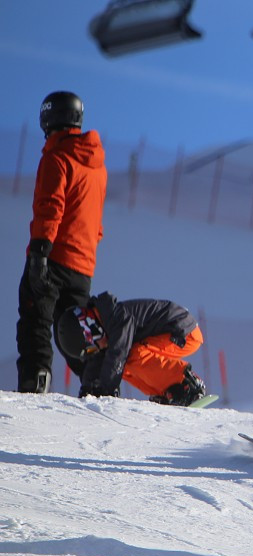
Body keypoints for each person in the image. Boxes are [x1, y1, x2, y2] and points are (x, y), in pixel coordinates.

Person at [16, 91, 107, 393]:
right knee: (75, 333)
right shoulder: (98, 166)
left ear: (49, 117)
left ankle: (36, 380)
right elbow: (95, 220)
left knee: (35, 319)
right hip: (83, 266)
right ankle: (100, 383)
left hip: (53, 256)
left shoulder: (57, 157)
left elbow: (50, 206)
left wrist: (40, 252)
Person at [55, 292, 208, 406]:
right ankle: (168, 392)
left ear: (89, 327)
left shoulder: (118, 317)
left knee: (128, 357)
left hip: (183, 332)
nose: (96, 349)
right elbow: (100, 362)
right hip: (173, 333)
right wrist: (89, 389)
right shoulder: (107, 327)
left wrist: (107, 390)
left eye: (90, 347)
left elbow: (117, 354)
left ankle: (187, 385)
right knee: (124, 365)